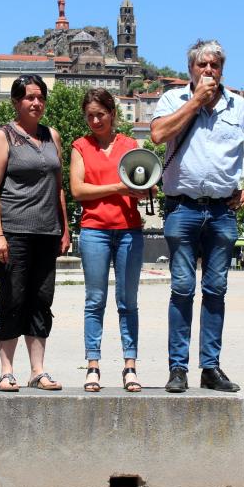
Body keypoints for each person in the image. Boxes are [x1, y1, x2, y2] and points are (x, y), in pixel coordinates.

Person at [150, 39, 244, 393]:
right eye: (202, 65)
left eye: (215, 66)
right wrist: (195, 102)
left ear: (222, 70)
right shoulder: (173, 100)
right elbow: (158, 135)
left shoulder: (240, 107)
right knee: (182, 288)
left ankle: (211, 367)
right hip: (182, 207)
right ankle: (178, 368)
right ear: (190, 68)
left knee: (216, 289)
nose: (209, 71)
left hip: (222, 210)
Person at [0, 74, 70, 391]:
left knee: (41, 299)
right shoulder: (3, 136)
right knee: (12, 297)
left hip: (47, 232)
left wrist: (64, 228)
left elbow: (58, 187)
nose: (36, 103)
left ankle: (38, 369)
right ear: (16, 102)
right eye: (29, 97)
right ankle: (7, 370)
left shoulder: (52, 136)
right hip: (14, 231)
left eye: (40, 97)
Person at [70, 88, 147, 392]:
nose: (95, 120)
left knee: (128, 301)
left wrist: (144, 190)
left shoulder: (130, 145)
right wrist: (118, 186)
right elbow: (77, 190)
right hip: (94, 230)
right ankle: (93, 364)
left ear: (113, 114)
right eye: (89, 115)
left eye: (100, 114)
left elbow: (142, 180)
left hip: (129, 229)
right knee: (95, 300)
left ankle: (130, 364)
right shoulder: (80, 146)